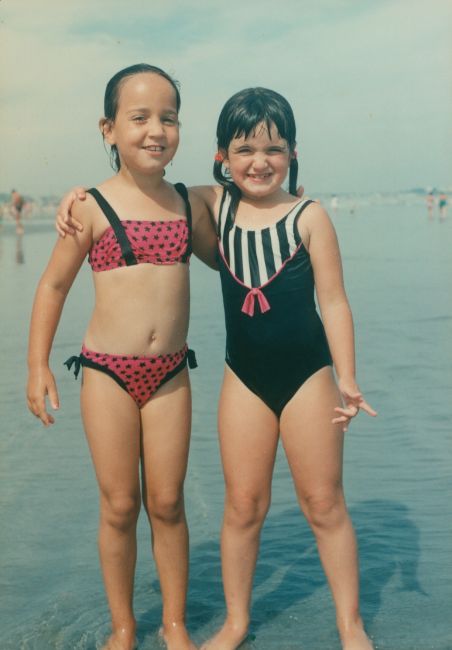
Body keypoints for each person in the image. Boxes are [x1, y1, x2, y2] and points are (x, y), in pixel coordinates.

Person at [56, 87, 377, 650]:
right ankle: (235, 621)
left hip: (310, 376)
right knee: (243, 505)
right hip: (244, 379)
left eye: (274, 149)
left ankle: (350, 625)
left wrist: (347, 376)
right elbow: (141, 193)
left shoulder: (310, 216)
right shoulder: (209, 205)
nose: (260, 161)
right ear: (221, 157)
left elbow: (337, 301)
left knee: (324, 503)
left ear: (293, 152)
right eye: (244, 149)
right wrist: (76, 195)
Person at [27, 63, 216, 650]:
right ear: (108, 129)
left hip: (170, 375)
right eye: (139, 118)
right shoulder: (87, 206)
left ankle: (176, 625)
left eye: (169, 117)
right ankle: (123, 627)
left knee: (167, 501)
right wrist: (36, 366)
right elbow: (53, 287)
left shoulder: (191, 205)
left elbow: (246, 212)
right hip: (107, 373)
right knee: (118, 504)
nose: (155, 129)